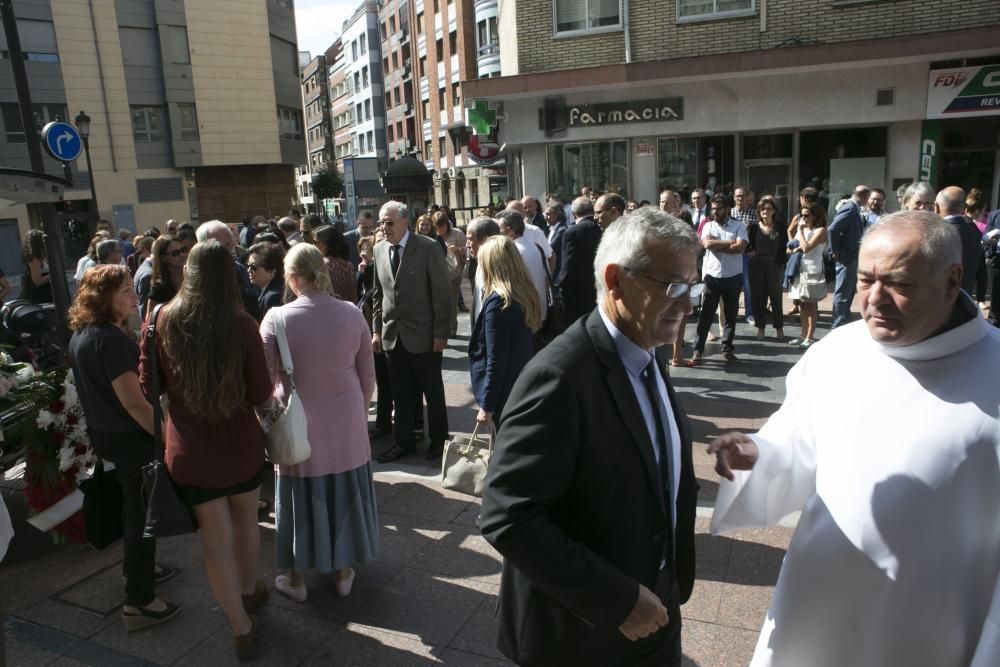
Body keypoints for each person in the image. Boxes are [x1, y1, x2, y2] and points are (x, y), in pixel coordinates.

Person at [708, 210, 1000, 667]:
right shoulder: (838, 351)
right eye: (865, 280)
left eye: (899, 284)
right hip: (818, 606)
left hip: (931, 627)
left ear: (952, 279)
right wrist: (754, 456)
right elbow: (794, 445)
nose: (875, 299)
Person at [481, 207, 700, 665]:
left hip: (654, 609)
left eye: (692, 286)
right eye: (673, 287)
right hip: (582, 634)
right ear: (616, 280)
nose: (688, 304)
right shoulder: (559, 376)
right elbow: (508, 517)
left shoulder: (647, 346)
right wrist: (617, 600)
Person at [139, 240, 272, 661]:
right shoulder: (242, 323)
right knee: (246, 523)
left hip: (188, 449)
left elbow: (148, 386)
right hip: (240, 442)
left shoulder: (160, 318)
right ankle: (249, 591)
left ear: (190, 271)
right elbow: (260, 391)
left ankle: (239, 626)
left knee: (214, 542)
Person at [261, 243, 378, 603]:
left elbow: (265, 382)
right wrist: (357, 412)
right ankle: (343, 572)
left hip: (298, 421)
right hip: (346, 417)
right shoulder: (350, 313)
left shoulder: (275, 318)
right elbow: (368, 376)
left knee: (298, 497)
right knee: (345, 488)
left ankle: (297, 579)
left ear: (291, 277)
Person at [68, 265, 180, 632]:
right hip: (131, 437)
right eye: (125, 291)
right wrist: (164, 435)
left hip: (108, 435)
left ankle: (140, 569)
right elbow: (133, 403)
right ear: (103, 298)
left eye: (132, 288)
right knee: (142, 516)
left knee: (137, 509)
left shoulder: (84, 334)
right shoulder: (111, 340)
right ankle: (139, 599)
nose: (134, 296)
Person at [371, 201, 451, 463]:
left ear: (406, 221)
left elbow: (442, 293)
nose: (384, 227)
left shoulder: (427, 247)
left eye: (389, 222)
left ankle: (439, 440)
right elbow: (377, 294)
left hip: (425, 335)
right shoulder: (379, 249)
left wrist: (441, 333)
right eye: (381, 222)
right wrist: (376, 331)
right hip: (393, 335)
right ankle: (403, 441)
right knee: (400, 393)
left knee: (433, 391)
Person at [469, 235, 541, 431]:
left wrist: (487, 405)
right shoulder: (523, 292)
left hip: (504, 393)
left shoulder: (499, 302)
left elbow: (496, 359)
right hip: (519, 384)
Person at [691, 194, 748, 364]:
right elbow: (707, 245)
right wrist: (729, 242)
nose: (715, 212)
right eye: (713, 209)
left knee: (730, 316)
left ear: (727, 209)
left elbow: (740, 248)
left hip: (733, 277)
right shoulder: (708, 226)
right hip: (712, 277)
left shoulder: (739, 226)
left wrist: (719, 243)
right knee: (706, 315)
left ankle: (727, 348)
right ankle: (698, 349)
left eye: (719, 209)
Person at [497, 210, 549, 344]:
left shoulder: (514, 252)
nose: (498, 233)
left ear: (509, 231)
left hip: (526, 315)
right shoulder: (533, 246)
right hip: (536, 312)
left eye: (500, 229)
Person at [196, 220, 261, 322]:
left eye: (229, 244)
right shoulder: (195, 275)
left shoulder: (241, 269)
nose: (227, 250)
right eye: (219, 246)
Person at [557, 196, 605, 325]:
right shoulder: (601, 228)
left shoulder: (571, 232)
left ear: (573, 214)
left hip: (576, 297)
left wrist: (561, 290)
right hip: (598, 292)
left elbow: (568, 266)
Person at [786, 203, 828, 348]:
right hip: (799, 270)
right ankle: (803, 335)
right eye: (801, 215)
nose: (803, 218)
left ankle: (810, 337)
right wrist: (796, 246)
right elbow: (789, 249)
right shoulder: (802, 229)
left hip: (812, 271)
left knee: (811, 305)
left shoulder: (820, 231)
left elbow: (805, 247)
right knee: (802, 304)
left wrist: (801, 233)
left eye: (806, 215)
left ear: (815, 216)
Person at [828, 185, 869, 329]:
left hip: (851, 256)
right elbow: (833, 228)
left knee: (848, 290)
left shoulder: (854, 208)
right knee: (843, 292)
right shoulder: (850, 208)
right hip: (846, 257)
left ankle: (843, 320)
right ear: (864, 197)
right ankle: (838, 324)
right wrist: (835, 251)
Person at [747, 196, 788, 340]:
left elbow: (785, 247)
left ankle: (779, 328)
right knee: (758, 297)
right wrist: (749, 251)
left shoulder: (781, 227)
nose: (765, 211)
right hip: (756, 265)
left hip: (774, 265)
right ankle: (760, 328)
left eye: (768, 208)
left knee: (776, 298)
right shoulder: (753, 227)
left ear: (774, 211)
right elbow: (747, 245)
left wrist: (782, 263)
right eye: (762, 209)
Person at [935, 186, 981, 296]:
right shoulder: (975, 233)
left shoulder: (935, 234)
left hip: (939, 301)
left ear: (936, 207)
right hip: (965, 298)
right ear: (964, 208)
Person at [433, 212, 467, 336]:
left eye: (442, 226)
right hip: (438, 273)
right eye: (437, 227)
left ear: (447, 224)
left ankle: (452, 327)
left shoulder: (457, 233)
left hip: (454, 272)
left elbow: (467, 249)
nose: (440, 229)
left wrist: (457, 248)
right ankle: (442, 326)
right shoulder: (434, 235)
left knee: (452, 300)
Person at [466, 216, 501, 327]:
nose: (467, 244)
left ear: (485, 240)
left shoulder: (500, 268)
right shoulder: (480, 263)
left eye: (470, 239)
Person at [142, 235, 187, 319]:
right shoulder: (159, 289)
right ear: (163, 258)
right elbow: (150, 321)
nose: (182, 255)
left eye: (183, 250)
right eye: (175, 253)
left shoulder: (191, 279)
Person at [313, 225, 356, 301]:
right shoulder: (349, 265)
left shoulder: (321, 265)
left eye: (315, 242)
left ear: (325, 244)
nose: (313, 245)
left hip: (329, 309)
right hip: (347, 309)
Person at [246, 241, 286, 319]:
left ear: (271, 270)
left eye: (253, 267)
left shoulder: (273, 298)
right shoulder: (275, 289)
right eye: (248, 266)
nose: (248, 270)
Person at [21, 229, 53, 303]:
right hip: (40, 295)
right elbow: (37, 281)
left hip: (44, 293)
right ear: (38, 242)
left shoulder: (38, 256)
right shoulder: (34, 259)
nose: (45, 241)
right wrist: (52, 275)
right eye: (43, 239)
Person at [544, 203, 569, 281]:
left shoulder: (562, 230)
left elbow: (550, 249)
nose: (545, 217)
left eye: (548, 214)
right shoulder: (553, 229)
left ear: (557, 215)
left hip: (557, 272)